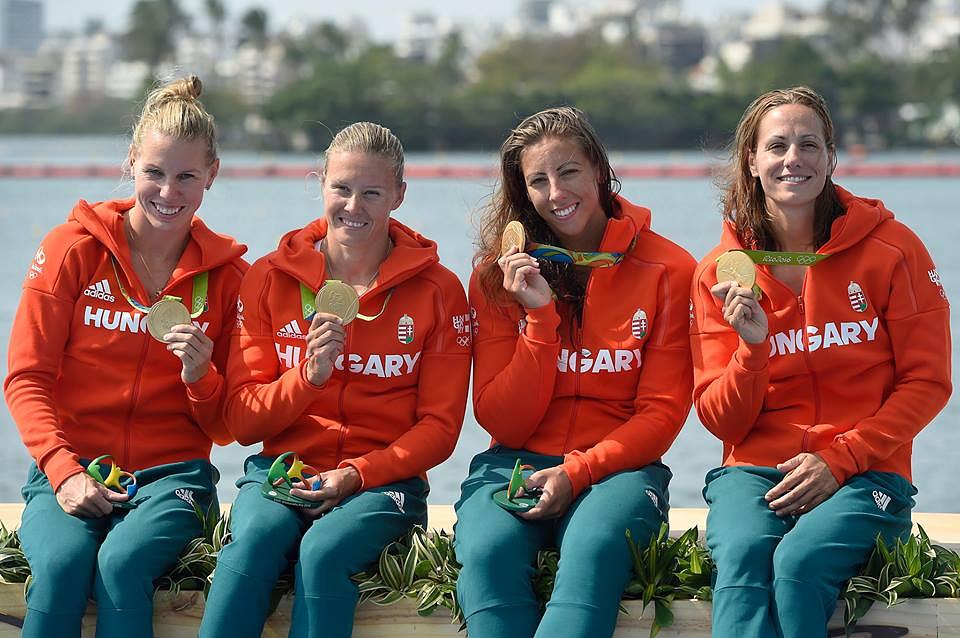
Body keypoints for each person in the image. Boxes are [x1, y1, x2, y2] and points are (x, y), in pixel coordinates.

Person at [689, 86, 952, 638]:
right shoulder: (718, 272)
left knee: (798, 564)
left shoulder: (893, 249)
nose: (794, 158)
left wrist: (840, 458)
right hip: (754, 474)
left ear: (831, 157)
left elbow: (927, 382)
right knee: (743, 562)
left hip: (867, 471)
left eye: (809, 145)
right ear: (752, 161)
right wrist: (752, 350)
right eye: (777, 145)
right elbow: (722, 422)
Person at [198, 121, 471, 638]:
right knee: (253, 542)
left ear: (399, 195)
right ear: (320, 183)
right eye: (341, 188)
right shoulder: (268, 277)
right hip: (282, 471)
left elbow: (440, 429)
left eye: (372, 193)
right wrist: (308, 378)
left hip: (383, 484)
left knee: (323, 552)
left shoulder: (439, 290)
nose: (353, 206)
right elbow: (242, 422)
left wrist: (358, 474)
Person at [3, 76, 247, 637]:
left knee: (121, 563)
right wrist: (63, 472)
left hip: (174, 479)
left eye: (187, 177)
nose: (168, 192)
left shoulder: (231, 278)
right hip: (71, 465)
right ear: (132, 160)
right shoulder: (71, 250)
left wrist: (201, 377)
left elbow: (229, 426)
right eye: (154, 172)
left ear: (212, 174)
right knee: (61, 566)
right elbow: (26, 378)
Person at [453, 106, 696, 638]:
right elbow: (504, 422)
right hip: (514, 461)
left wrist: (578, 472)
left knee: (593, 549)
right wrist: (539, 319)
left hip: (619, 470)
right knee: (487, 555)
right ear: (523, 193)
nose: (556, 192)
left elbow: (661, 415)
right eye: (538, 180)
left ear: (599, 171)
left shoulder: (671, 270)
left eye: (568, 172)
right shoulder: (496, 277)